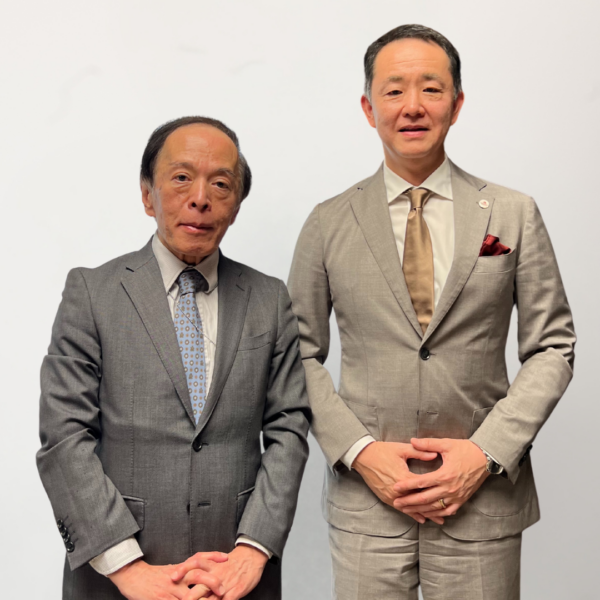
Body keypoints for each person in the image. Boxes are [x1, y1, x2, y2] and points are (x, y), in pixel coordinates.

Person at [288, 24, 575, 600]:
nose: (413, 106)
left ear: (457, 104)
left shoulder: (513, 214)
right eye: (394, 90)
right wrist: (361, 454)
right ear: (368, 108)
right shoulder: (328, 221)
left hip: (483, 502)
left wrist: (485, 453)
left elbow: (553, 347)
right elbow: (297, 353)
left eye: (431, 88)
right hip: (368, 503)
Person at [37, 116, 311, 600]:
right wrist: (128, 568)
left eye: (221, 184)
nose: (201, 198)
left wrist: (253, 551)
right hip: (117, 577)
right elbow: (64, 436)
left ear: (236, 206)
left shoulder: (268, 298)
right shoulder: (93, 293)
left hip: (237, 576)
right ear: (148, 195)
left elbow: (289, 428)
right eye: (181, 177)